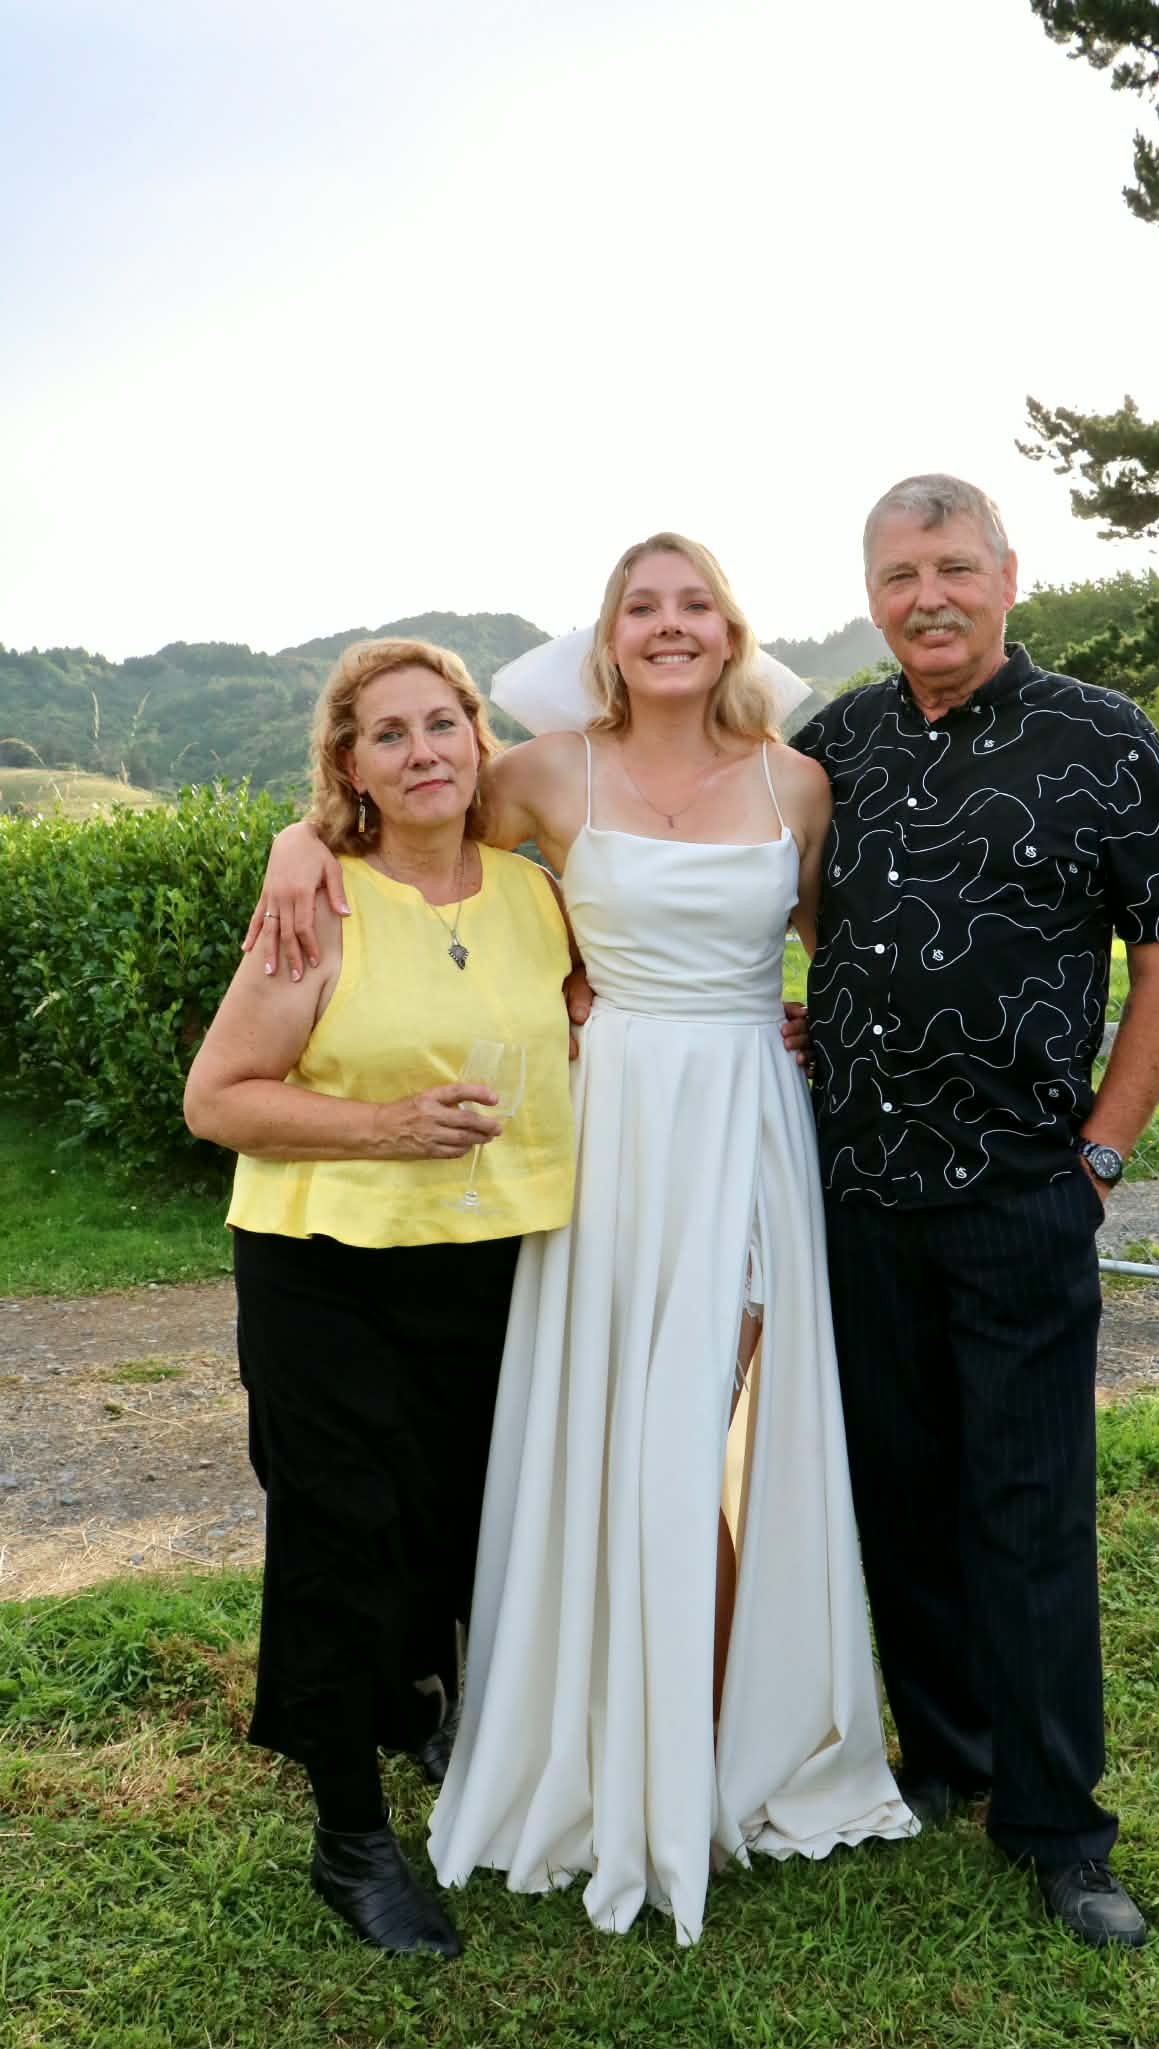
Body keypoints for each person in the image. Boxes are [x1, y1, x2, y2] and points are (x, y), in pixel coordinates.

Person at [252, 535, 914, 1945]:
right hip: (605, 1131)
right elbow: (406, 824)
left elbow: (832, 939)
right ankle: (589, 1726)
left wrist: (807, 1025)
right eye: (641, 606)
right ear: (606, 636)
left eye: (695, 604)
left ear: (731, 631)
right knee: (609, 1424)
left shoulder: (797, 784)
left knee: (720, 1425)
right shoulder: (549, 774)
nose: (670, 626)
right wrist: (293, 842)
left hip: (745, 1117)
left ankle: (724, 1729)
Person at [790, 473, 1159, 1949]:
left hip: (1021, 1191)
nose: (927, 597)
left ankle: (1058, 1827)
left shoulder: (1099, 735)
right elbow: (737, 878)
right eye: (899, 575)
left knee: (1026, 1510)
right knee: (897, 1491)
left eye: (953, 568)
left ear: (1006, 576)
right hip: (852, 1193)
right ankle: (946, 1755)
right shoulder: (833, 746)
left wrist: (1099, 1158)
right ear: (872, 596)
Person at [183, 637, 577, 1959]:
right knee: (343, 1537)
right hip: (328, 1266)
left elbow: (606, 1020)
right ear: (348, 766)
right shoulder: (320, 904)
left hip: (492, 1257)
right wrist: (386, 1126)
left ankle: (423, 1714)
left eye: (441, 724)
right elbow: (216, 1098)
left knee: (457, 1523)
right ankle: (350, 1837)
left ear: (478, 739)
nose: (422, 753)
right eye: (388, 735)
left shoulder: (536, 892)